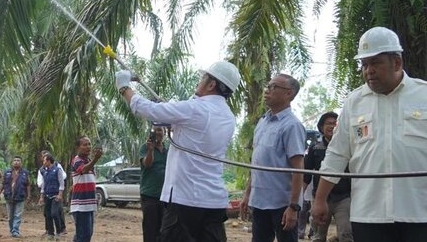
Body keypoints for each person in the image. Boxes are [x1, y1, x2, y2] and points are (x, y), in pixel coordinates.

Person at [311, 26, 427, 242]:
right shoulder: (354, 102)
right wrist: (320, 198)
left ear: (397, 62)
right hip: (369, 215)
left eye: (375, 63)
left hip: (423, 215)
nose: (368, 70)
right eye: (364, 64)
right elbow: (337, 154)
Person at [115, 60, 240, 242]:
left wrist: (123, 86)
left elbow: (146, 109)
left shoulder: (195, 108)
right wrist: (168, 112)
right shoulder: (228, 116)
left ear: (212, 84)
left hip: (185, 200)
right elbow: (178, 123)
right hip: (213, 202)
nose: (199, 81)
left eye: (203, 77)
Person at [239, 73, 306, 242]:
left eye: (273, 87)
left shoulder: (292, 126)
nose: (267, 90)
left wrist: (293, 207)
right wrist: (247, 195)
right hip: (260, 202)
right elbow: (257, 163)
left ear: (289, 93)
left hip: (282, 205)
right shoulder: (263, 122)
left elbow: (298, 169)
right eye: (267, 86)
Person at [304, 112, 352, 242]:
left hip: (343, 198)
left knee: (346, 234)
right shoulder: (314, 148)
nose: (331, 126)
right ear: (321, 127)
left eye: (335, 124)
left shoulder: (349, 147)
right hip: (320, 199)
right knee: (318, 236)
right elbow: (306, 174)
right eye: (328, 124)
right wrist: (295, 200)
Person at [70, 136, 103, 242]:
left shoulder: (88, 160)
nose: (88, 147)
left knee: (86, 234)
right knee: (84, 236)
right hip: (80, 205)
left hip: (89, 204)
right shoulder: (77, 160)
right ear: (78, 147)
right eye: (85, 144)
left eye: (89, 144)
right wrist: (95, 159)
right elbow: (83, 170)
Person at [139, 126, 168, 242]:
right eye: (155, 130)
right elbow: (147, 164)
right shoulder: (145, 147)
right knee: (150, 229)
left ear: (165, 132)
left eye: (160, 130)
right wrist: (150, 150)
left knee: (163, 230)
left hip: (165, 196)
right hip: (149, 195)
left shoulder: (167, 150)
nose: (157, 132)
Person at [0, 156, 31, 238]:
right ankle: (12, 230)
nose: (16, 162)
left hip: (20, 197)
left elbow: (28, 185)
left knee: (18, 215)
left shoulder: (25, 173)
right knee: (10, 216)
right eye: (15, 160)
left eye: (18, 160)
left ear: (21, 163)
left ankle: (15, 230)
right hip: (9, 196)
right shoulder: (7, 172)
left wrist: (28, 195)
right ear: (12, 162)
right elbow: (2, 184)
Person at [38, 153, 66, 238]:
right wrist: (41, 196)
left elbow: (61, 183)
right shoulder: (44, 171)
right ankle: (50, 232)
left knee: (54, 213)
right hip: (47, 195)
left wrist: (60, 194)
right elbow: (44, 184)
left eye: (44, 160)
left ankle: (59, 231)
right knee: (47, 214)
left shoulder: (57, 170)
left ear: (49, 161)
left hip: (55, 195)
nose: (43, 162)